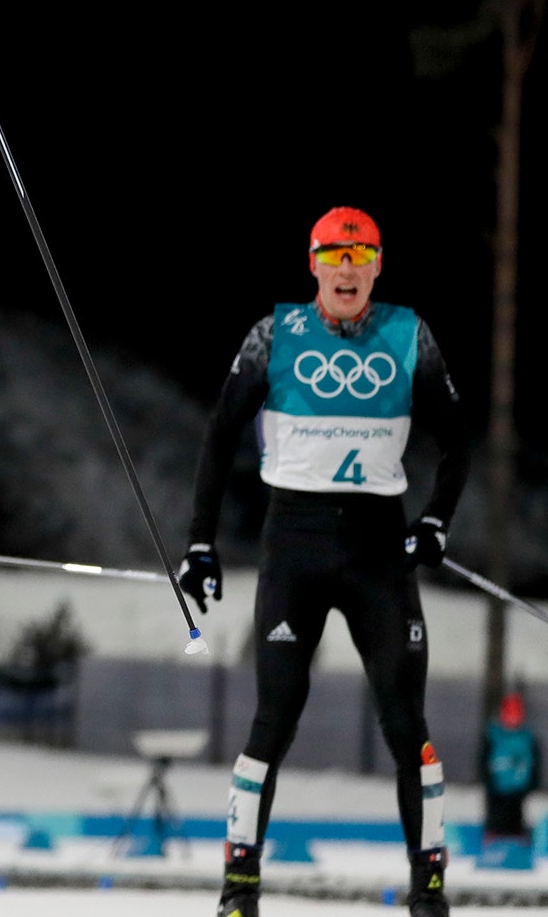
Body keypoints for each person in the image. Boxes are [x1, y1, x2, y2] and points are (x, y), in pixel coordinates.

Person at [180, 207, 469, 917]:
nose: (346, 268)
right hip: (295, 547)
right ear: (313, 263)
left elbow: (458, 442)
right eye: (333, 256)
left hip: (378, 551)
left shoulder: (410, 335)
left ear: (377, 265)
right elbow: (219, 438)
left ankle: (428, 890)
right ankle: (238, 888)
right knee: (273, 719)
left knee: (407, 725)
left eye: (360, 254)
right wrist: (199, 544)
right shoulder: (274, 336)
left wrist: (433, 522)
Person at [481, 691, 540, 843]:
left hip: (519, 788)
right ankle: (493, 837)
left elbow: (534, 761)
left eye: (516, 713)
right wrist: (487, 779)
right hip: (497, 788)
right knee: (496, 816)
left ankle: (517, 840)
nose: (512, 717)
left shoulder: (527, 737)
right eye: (509, 713)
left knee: (517, 816)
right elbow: (483, 760)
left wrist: (533, 782)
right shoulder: (493, 735)